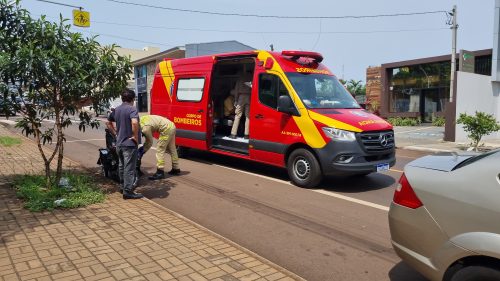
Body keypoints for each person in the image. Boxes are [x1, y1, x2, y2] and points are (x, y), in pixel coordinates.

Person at [114, 89, 143, 199]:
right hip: (129, 144)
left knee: (121, 166)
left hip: (119, 143)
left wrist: (115, 133)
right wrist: (135, 136)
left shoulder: (117, 110)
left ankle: (122, 187)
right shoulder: (132, 109)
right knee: (129, 168)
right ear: (132, 99)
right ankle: (128, 191)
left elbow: (108, 122)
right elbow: (134, 122)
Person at [140, 114, 180, 180]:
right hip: (171, 125)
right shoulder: (142, 119)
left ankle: (160, 172)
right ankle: (176, 168)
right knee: (172, 148)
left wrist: (142, 151)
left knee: (160, 149)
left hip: (166, 129)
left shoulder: (145, 129)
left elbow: (149, 143)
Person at [229, 72, 252, 139]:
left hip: (241, 97)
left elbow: (236, 91)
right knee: (248, 116)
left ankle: (233, 134)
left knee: (238, 115)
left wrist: (236, 100)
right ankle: (246, 135)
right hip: (249, 97)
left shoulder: (240, 78)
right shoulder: (252, 77)